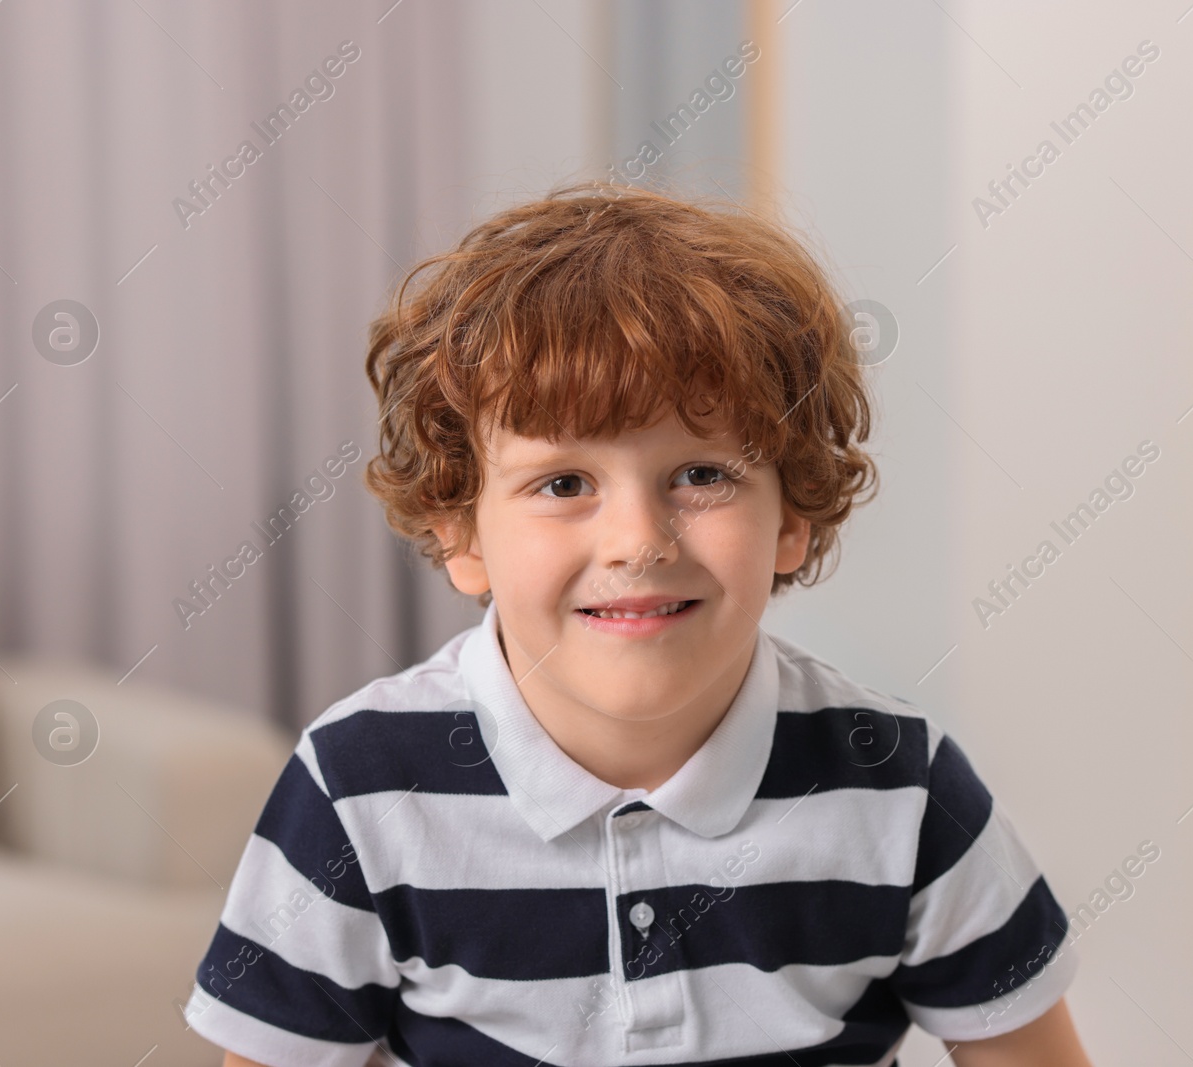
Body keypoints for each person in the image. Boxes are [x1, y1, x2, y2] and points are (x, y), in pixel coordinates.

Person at [183, 183, 1095, 1067]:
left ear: (790, 516)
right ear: (460, 529)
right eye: (563, 483)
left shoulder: (904, 787)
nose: (637, 540)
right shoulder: (358, 787)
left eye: (702, 474)